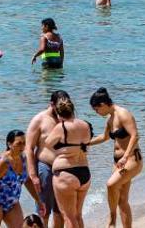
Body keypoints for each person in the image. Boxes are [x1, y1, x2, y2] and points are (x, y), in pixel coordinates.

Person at [87, 88, 142, 228]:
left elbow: (135, 135)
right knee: (122, 200)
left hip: (132, 160)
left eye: (96, 110)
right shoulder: (110, 119)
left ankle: (112, 220)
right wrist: (86, 143)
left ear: (103, 104)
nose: (97, 113)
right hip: (118, 162)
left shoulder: (123, 114)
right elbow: (104, 137)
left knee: (110, 185)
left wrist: (125, 156)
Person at [47, 95, 93, 228]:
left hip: (66, 174)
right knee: (78, 215)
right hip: (84, 172)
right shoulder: (85, 125)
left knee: (69, 217)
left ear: (58, 112)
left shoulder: (61, 127)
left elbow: (48, 143)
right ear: (73, 110)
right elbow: (87, 143)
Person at [26, 91, 69, 228]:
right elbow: (29, 148)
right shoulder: (40, 119)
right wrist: (33, 175)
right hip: (45, 167)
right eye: (60, 106)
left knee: (61, 210)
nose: (63, 108)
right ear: (51, 104)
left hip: (63, 169)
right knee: (44, 209)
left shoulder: (67, 118)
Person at [0, 130, 41, 228]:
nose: (22, 146)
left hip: (12, 203)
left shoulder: (23, 159)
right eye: (19, 143)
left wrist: (38, 200)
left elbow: (27, 181)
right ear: (9, 144)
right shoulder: (3, 162)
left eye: (24, 143)